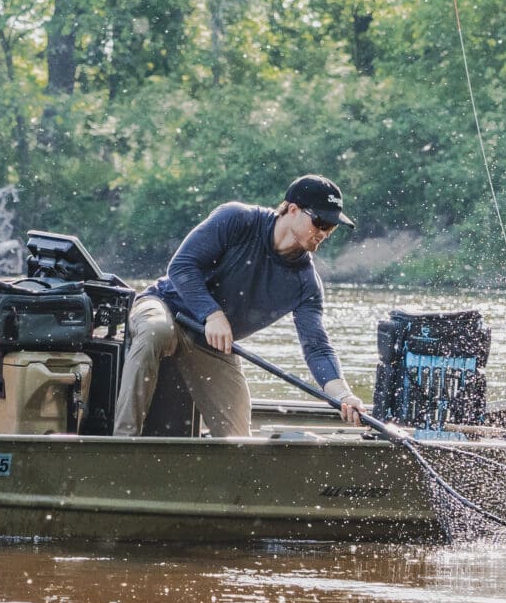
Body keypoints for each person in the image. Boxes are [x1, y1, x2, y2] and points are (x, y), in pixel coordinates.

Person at [113, 176, 367, 437]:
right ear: (292, 210)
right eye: (320, 222)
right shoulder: (237, 219)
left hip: (213, 344)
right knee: (154, 331)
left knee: (239, 443)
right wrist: (212, 313)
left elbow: (317, 348)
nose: (324, 233)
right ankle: (122, 440)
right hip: (166, 306)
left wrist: (344, 395)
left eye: (331, 227)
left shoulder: (306, 285)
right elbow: (181, 267)